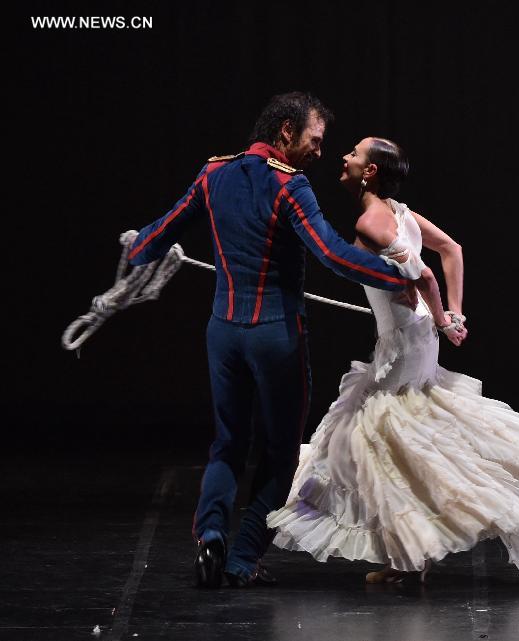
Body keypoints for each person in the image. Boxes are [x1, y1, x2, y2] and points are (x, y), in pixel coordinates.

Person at [267, 137, 519, 583]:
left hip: (405, 340)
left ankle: (413, 550)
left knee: (377, 437)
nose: (344, 158)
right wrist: (453, 313)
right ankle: (409, 555)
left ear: (370, 171)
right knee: (402, 435)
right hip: (413, 335)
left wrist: (445, 320)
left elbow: (426, 272)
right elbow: (451, 249)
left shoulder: (375, 219)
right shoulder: (398, 211)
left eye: (354, 154)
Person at [126, 93, 419, 588]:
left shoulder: (213, 172)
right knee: (281, 453)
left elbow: (162, 231)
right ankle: (242, 559)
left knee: (227, 445)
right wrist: (399, 275)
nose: (320, 152)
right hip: (275, 337)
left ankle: (211, 534)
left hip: (223, 333)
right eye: (315, 140)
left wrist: (138, 248)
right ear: (286, 132)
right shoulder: (290, 187)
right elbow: (331, 253)